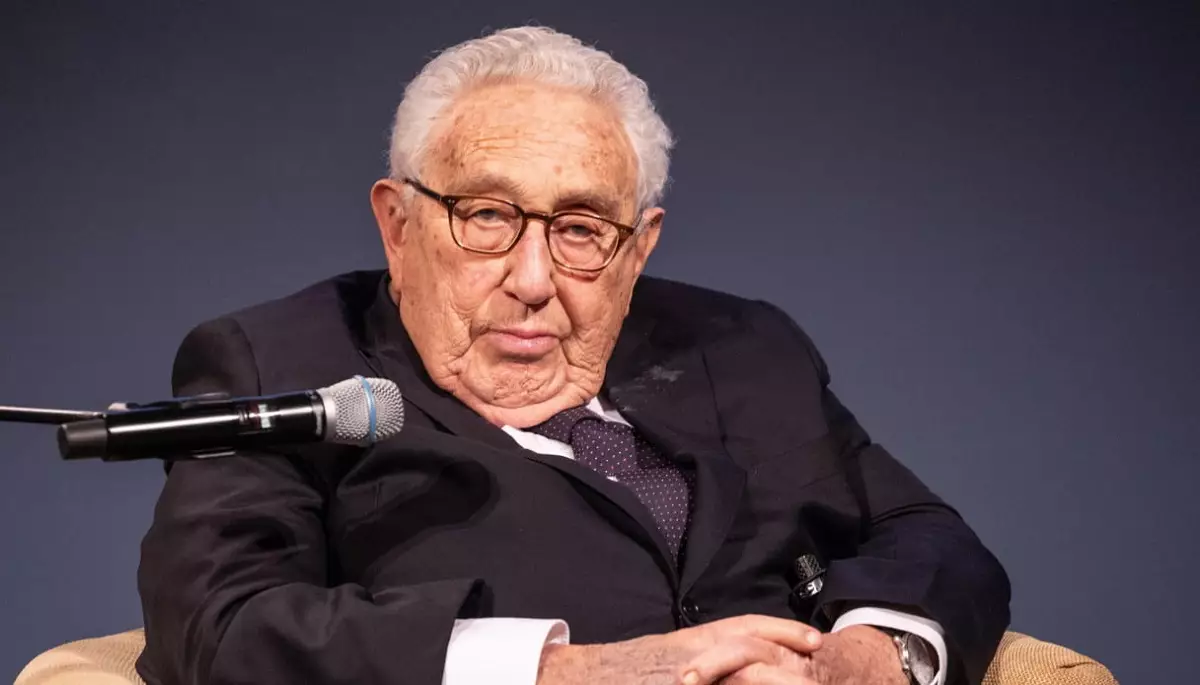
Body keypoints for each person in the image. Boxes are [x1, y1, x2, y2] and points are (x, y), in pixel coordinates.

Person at [136, 26, 1009, 685]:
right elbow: (222, 622)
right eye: (486, 217)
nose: (532, 279)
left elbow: (926, 533)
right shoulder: (279, 366)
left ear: (639, 247)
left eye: (583, 230)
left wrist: (865, 659)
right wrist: (586, 672)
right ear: (397, 226)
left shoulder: (745, 345)